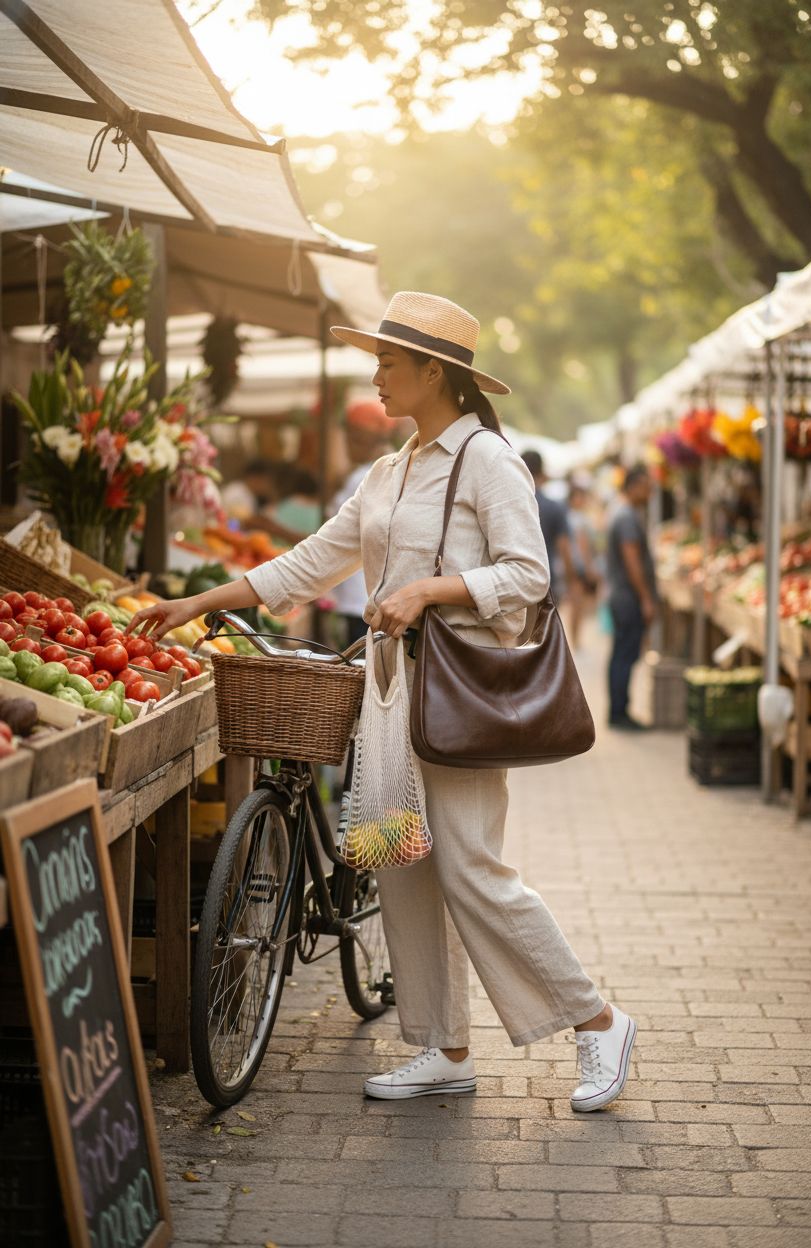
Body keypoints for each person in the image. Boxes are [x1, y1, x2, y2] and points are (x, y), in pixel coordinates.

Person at [127, 291, 637, 1113]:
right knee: (402, 864)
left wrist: (430, 590)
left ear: (435, 373)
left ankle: (598, 1021)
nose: (377, 377)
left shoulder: (487, 460)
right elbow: (312, 560)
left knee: (472, 870)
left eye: (389, 364)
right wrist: (197, 601)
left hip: (459, 698)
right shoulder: (390, 470)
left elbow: (529, 575)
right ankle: (444, 1047)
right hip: (392, 695)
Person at [330, 400, 396, 646]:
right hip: (369, 596)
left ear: (363, 437)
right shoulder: (386, 469)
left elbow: (337, 537)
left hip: (361, 598)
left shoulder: (365, 476)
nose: (347, 444)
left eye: (351, 437)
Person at [606, 463, 657, 730]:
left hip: (622, 596)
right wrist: (646, 598)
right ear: (634, 485)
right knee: (625, 655)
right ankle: (619, 713)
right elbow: (632, 561)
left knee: (622, 654)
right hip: (628, 598)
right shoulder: (626, 516)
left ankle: (618, 710)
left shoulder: (621, 511)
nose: (650, 493)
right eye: (647, 487)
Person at [519, 449, 574, 598]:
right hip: (547, 583)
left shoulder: (511, 504)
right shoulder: (554, 507)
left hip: (517, 585)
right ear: (542, 472)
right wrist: (571, 582)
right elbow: (564, 549)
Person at [567, 477, 600, 650]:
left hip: (573, 566)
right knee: (577, 605)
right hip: (578, 567)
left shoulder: (570, 517)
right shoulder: (578, 519)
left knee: (576, 605)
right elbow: (583, 546)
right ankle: (575, 640)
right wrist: (588, 568)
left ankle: (575, 639)